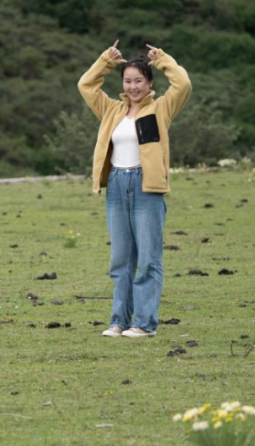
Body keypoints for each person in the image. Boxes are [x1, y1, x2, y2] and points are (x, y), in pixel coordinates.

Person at [78, 41, 192, 338]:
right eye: (127, 81)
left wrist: (164, 59)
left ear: (150, 82)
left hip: (147, 187)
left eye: (138, 80)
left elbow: (183, 84)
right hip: (116, 184)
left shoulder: (162, 108)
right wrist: (106, 60)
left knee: (148, 259)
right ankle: (119, 321)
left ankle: (144, 324)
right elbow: (86, 84)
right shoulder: (111, 110)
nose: (133, 86)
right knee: (121, 259)